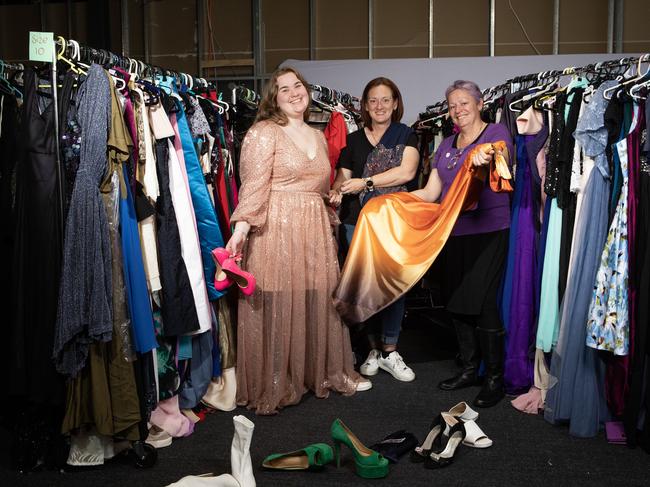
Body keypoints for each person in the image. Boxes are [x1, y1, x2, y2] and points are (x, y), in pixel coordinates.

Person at [225, 67, 370, 415]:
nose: (293, 93)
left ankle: (322, 372)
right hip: (275, 228)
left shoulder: (319, 136)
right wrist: (241, 230)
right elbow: (254, 186)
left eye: (298, 86)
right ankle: (276, 380)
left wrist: (330, 197)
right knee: (278, 302)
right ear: (273, 98)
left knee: (317, 299)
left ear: (307, 91)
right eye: (283, 88)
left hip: (314, 228)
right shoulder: (263, 132)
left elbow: (317, 186)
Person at [411, 80, 513, 408]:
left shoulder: (496, 132)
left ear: (480, 103)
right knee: (455, 301)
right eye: (453, 105)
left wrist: (486, 154)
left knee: (484, 303)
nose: (458, 110)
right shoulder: (446, 145)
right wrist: (392, 201)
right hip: (452, 232)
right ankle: (470, 370)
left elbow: (502, 158)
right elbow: (430, 193)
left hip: (490, 230)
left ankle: (494, 378)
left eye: (464, 103)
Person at [330, 77, 419, 383]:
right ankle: (372, 349)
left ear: (395, 103)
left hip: (394, 220)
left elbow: (407, 171)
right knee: (364, 286)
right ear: (365, 106)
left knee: (394, 284)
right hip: (358, 221)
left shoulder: (406, 135)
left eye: (385, 99)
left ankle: (391, 349)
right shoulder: (353, 141)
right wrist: (336, 192)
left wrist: (366, 182)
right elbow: (343, 180)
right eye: (373, 100)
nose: (379, 106)